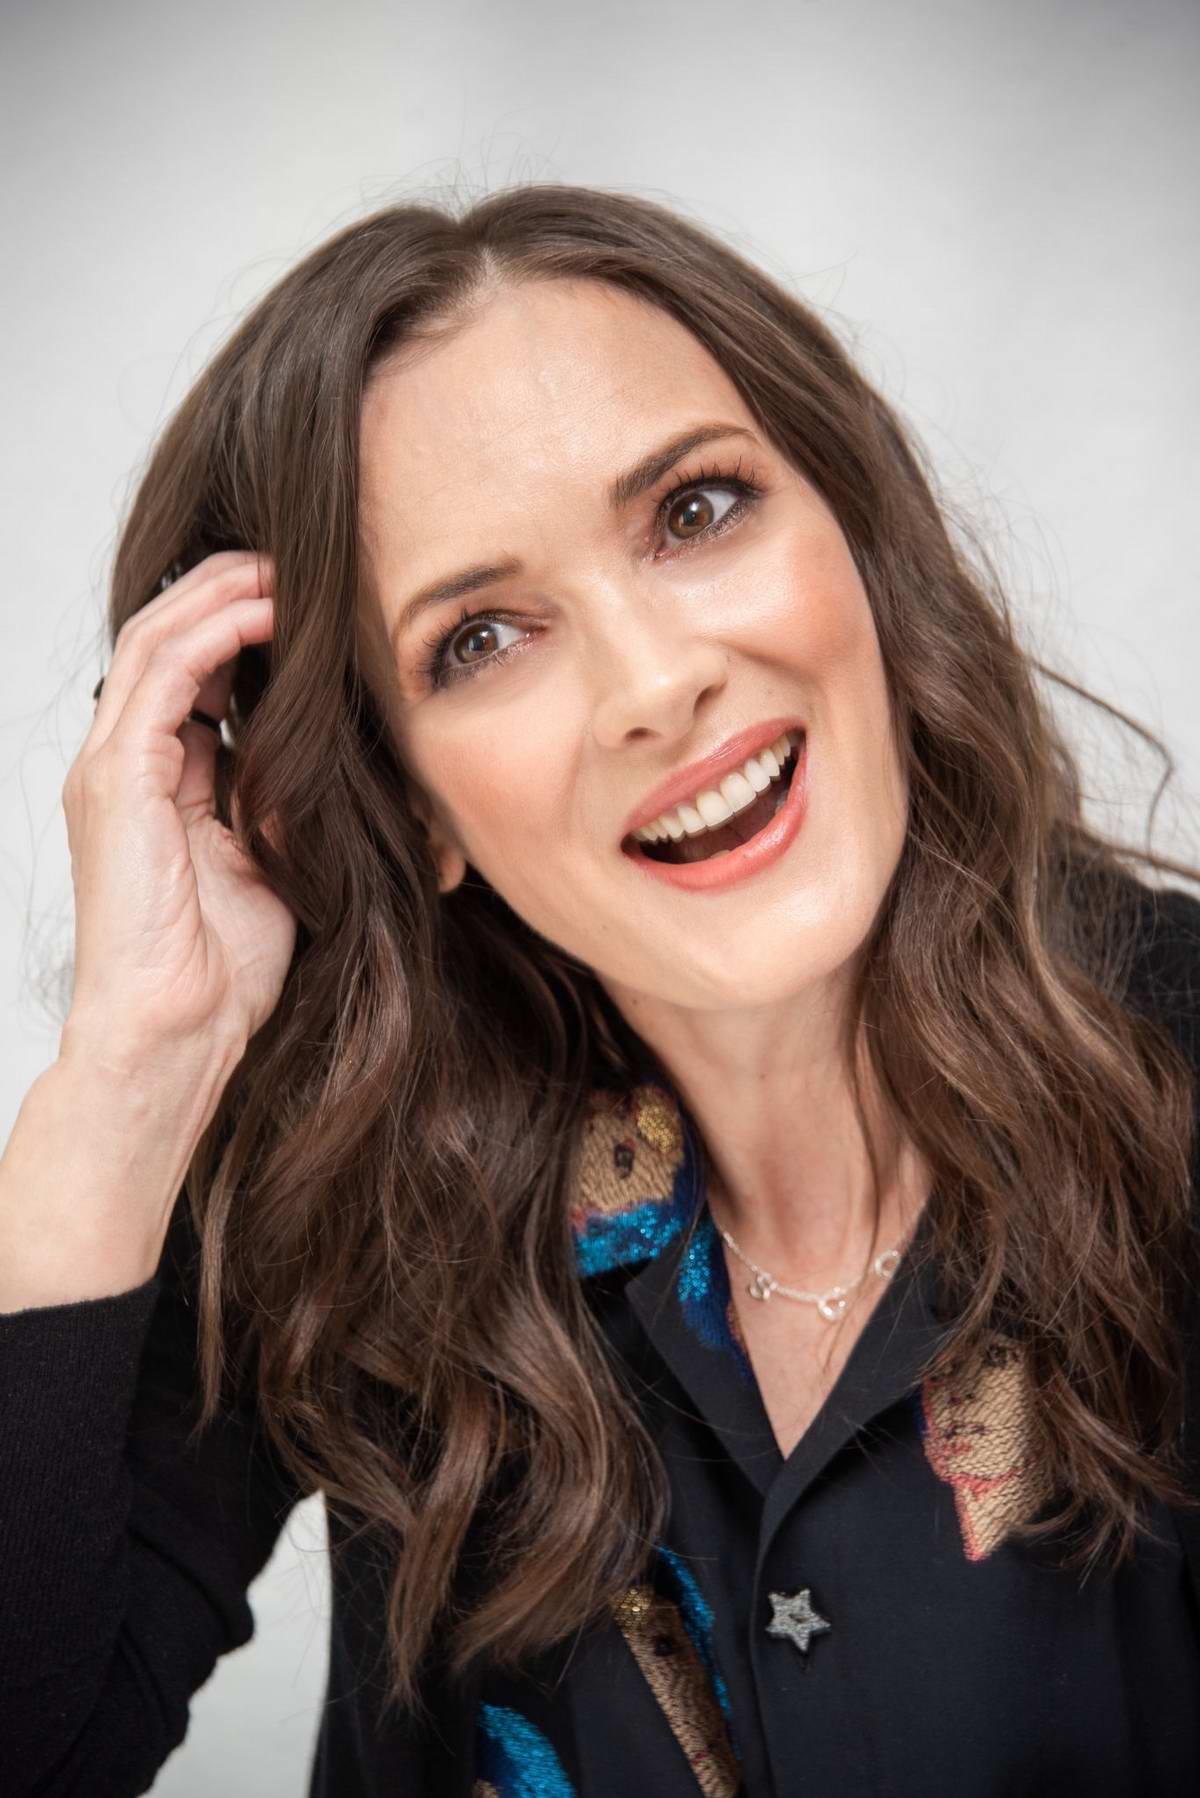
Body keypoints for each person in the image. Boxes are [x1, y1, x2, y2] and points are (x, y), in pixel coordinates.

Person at [2, 183, 1199, 1798]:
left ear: (851, 529)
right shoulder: (365, 1197)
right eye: (480, 638)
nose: (656, 683)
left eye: (697, 510)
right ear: (403, 801)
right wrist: (129, 1076)